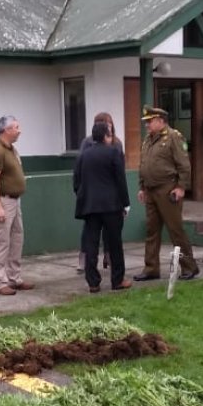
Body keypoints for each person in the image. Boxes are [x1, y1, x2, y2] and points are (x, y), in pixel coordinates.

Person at [134, 106, 199, 281]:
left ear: (161, 121)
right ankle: (151, 268)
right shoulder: (148, 140)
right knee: (151, 231)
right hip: (151, 190)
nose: (147, 125)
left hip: (168, 189)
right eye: (146, 122)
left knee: (175, 230)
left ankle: (189, 267)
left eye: (150, 121)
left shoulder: (173, 137)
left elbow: (184, 165)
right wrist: (142, 187)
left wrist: (181, 187)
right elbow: (144, 164)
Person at [73, 122, 131, 292]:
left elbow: (76, 181)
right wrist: (125, 203)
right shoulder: (114, 152)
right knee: (114, 243)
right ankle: (117, 280)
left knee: (91, 243)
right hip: (112, 205)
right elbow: (121, 179)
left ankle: (93, 282)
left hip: (90, 206)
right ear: (107, 136)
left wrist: (84, 196)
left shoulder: (83, 155)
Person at [0, 115, 34, 296]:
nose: (19, 130)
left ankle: (14, 278)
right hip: (4, 201)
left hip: (15, 200)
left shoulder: (11, 149)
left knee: (16, 239)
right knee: (2, 242)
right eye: (16, 127)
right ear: (7, 130)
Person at [76, 112, 123, 272]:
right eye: (103, 123)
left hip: (106, 199)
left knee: (109, 235)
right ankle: (90, 263)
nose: (107, 126)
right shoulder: (87, 144)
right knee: (91, 236)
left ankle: (102, 267)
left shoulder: (116, 144)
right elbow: (79, 173)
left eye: (109, 123)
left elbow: (119, 174)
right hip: (99, 198)